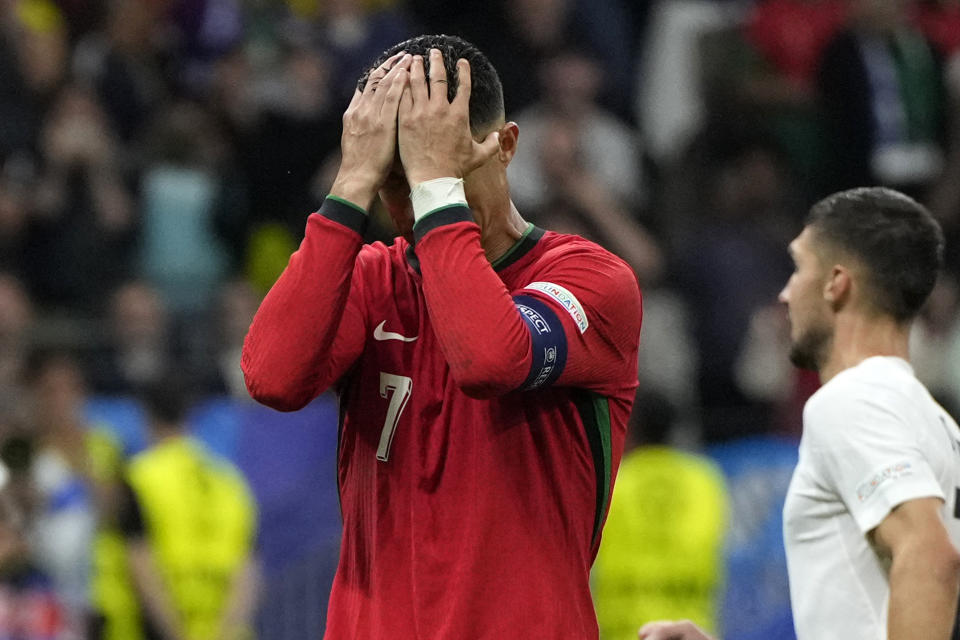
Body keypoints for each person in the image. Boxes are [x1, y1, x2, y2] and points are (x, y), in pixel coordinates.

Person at [241, 34, 643, 639]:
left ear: (505, 146)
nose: (408, 206)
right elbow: (272, 378)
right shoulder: (374, 277)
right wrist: (350, 186)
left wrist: (435, 186)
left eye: (443, 171)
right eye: (394, 181)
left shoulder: (592, 281)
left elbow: (489, 359)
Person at [639, 186, 960, 640]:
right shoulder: (936, 421)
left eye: (797, 268)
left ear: (836, 282)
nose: (786, 293)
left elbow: (930, 556)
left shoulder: (853, 400)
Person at [119, 378, 258, 640]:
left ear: (147, 416)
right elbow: (247, 572)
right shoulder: (230, 482)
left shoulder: (139, 477)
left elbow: (142, 569)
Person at [592, 391, 729, 639]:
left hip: (625, 630)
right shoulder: (705, 479)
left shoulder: (613, 483)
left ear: (629, 427)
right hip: (690, 630)